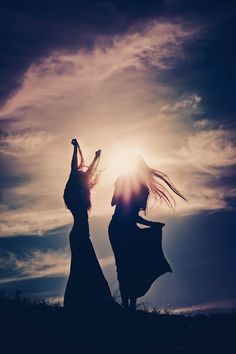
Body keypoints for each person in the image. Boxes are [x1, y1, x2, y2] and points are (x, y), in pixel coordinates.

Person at [108, 156, 186, 310]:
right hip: (118, 229)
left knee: (130, 265)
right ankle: (127, 306)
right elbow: (114, 203)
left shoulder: (142, 189)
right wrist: (119, 186)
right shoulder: (127, 182)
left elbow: (133, 216)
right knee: (124, 265)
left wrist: (153, 225)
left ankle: (130, 305)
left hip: (124, 228)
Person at [63, 138, 112, 313]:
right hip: (79, 235)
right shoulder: (74, 194)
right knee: (84, 268)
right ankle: (83, 304)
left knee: (84, 267)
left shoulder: (82, 192)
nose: (85, 177)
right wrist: (76, 148)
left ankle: (85, 303)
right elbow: (74, 167)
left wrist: (97, 158)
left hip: (82, 235)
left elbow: (88, 172)